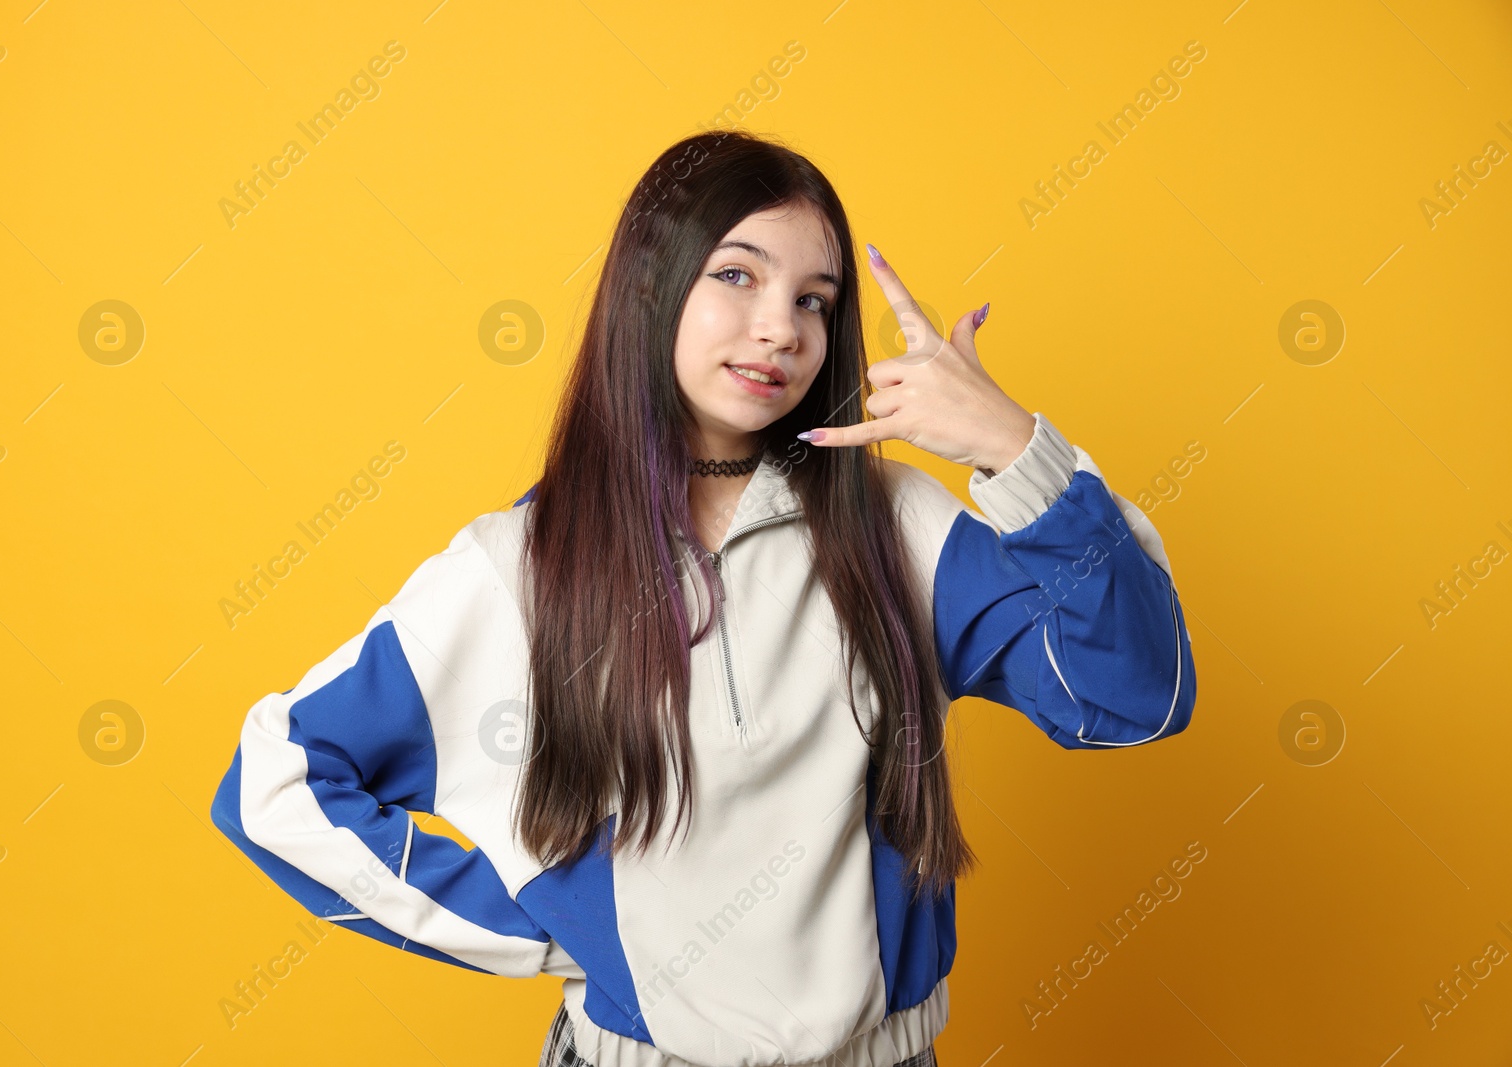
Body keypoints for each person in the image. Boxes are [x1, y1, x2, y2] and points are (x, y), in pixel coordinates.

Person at [209, 129, 1197, 1067]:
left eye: (816, 300)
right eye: (737, 275)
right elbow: (276, 784)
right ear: (650, 284)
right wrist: (543, 928)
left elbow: (1134, 697)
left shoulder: (897, 527)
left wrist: (1017, 450)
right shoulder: (519, 564)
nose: (781, 327)